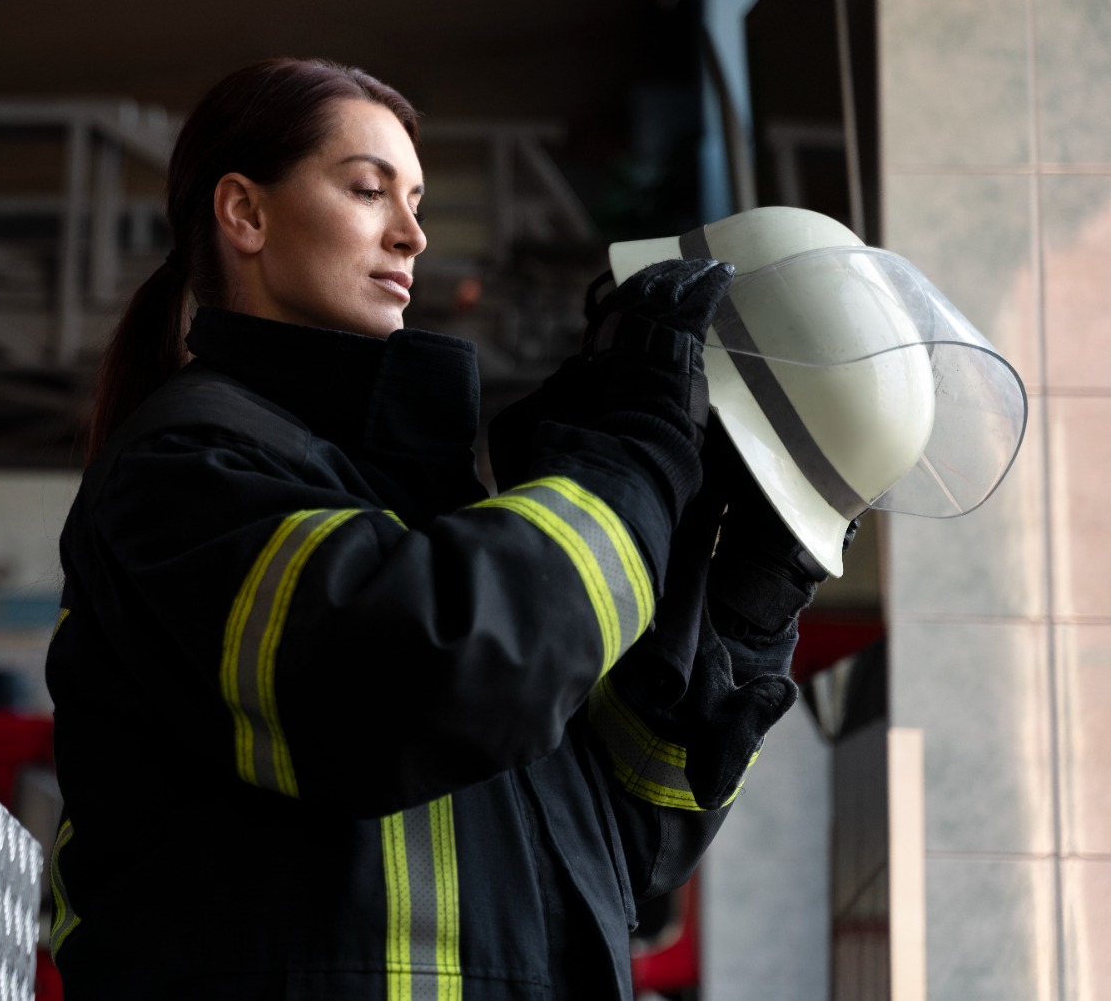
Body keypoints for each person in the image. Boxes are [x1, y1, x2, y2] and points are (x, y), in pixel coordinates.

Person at [44, 58, 829, 1000]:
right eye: (369, 190)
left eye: (416, 199)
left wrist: (741, 607)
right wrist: (635, 450)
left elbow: (627, 847)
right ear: (244, 214)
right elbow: (435, 671)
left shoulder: (432, 515)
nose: (413, 235)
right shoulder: (184, 470)